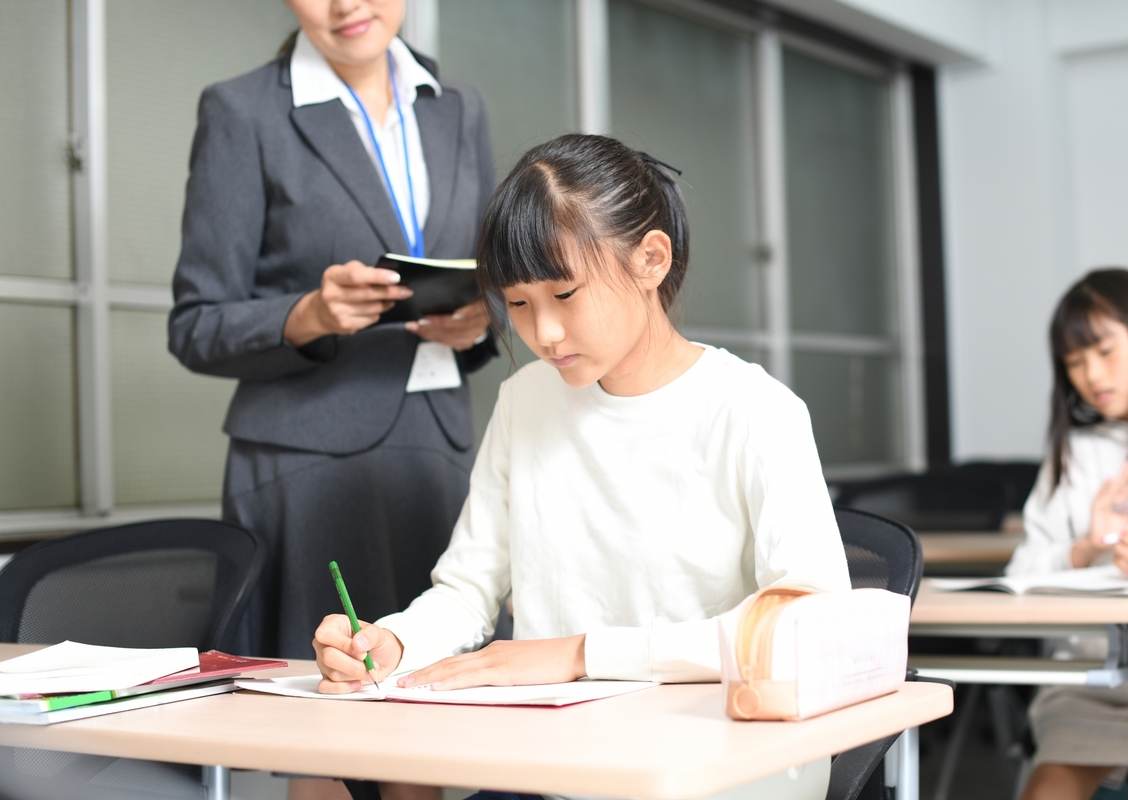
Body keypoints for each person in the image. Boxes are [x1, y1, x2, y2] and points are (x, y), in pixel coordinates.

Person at [312, 134, 852, 800]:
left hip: (719, 765)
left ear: (651, 260)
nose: (544, 334)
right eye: (518, 304)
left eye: (565, 294)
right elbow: (465, 592)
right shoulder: (524, 401)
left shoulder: (755, 411)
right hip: (559, 762)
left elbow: (806, 625)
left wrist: (578, 655)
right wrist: (391, 642)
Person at [169, 0, 495, 664]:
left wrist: (481, 320)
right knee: (331, 699)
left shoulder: (458, 107)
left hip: (438, 449)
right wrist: (308, 316)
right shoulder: (244, 111)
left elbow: (491, 274)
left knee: (429, 692)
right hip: (308, 462)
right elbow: (194, 324)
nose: (346, 4)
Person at [1009, 269, 1128, 800]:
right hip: (1086, 686)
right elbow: (1020, 572)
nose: (1091, 374)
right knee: (1046, 792)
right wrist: (1085, 549)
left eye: (1104, 351)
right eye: (1074, 361)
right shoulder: (1074, 453)